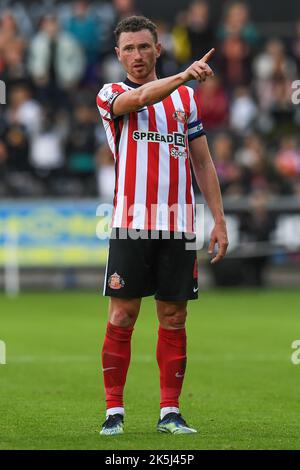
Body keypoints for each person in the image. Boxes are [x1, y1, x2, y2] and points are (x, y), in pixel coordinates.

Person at [96, 16, 228, 436]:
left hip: (177, 224)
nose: (137, 55)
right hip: (131, 224)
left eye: (144, 47)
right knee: (122, 316)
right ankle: (114, 412)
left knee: (173, 318)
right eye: (128, 48)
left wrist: (219, 220)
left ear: (158, 49)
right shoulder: (111, 93)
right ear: (118, 55)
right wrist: (184, 75)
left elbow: (203, 162)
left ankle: (169, 412)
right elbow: (138, 101)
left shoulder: (185, 100)